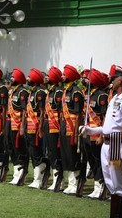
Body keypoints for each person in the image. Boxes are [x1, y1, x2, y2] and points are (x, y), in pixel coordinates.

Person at [81, 67, 122, 218]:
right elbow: (107, 126)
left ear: (121, 81)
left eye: (114, 78)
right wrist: (90, 130)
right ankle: (113, 216)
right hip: (107, 143)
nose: (112, 80)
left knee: (117, 181)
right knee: (109, 180)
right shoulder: (114, 99)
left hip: (117, 143)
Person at [81, 68, 108, 199]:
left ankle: (100, 186)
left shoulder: (102, 95)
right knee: (91, 160)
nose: (85, 80)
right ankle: (96, 186)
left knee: (98, 161)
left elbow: (105, 117)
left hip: (97, 133)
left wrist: (102, 136)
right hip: (87, 133)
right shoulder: (88, 94)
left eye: (87, 78)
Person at [60, 64, 84, 195]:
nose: (62, 76)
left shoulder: (75, 92)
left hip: (73, 127)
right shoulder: (66, 91)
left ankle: (75, 184)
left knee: (73, 155)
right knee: (66, 155)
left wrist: (75, 134)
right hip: (65, 127)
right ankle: (70, 183)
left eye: (64, 74)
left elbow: (79, 114)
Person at [26, 68, 48, 189]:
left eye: (29, 77)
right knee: (32, 152)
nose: (27, 79)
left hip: (36, 126)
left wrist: (40, 129)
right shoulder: (32, 92)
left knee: (37, 152)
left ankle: (38, 180)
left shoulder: (40, 92)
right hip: (30, 126)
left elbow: (42, 111)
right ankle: (37, 178)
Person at [7, 67, 30, 185]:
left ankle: (23, 172)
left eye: (13, 77)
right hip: (12, 123)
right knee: (12, 147)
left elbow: (25, 111)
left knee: (21, 148)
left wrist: (22, 126)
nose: (11, 79)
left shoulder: (22, 92)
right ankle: (16, 172)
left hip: (19, 124)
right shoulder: (13, 91)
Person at [44, 66, 64, 191]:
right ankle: (56, 179)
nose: (46, 77)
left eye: (48, 75)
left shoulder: (58, 92)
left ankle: (59, 180)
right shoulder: (50, 91)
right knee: (50, 152)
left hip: (55, 127)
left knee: (56, 153)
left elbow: (61, 112)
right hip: (48, 124)